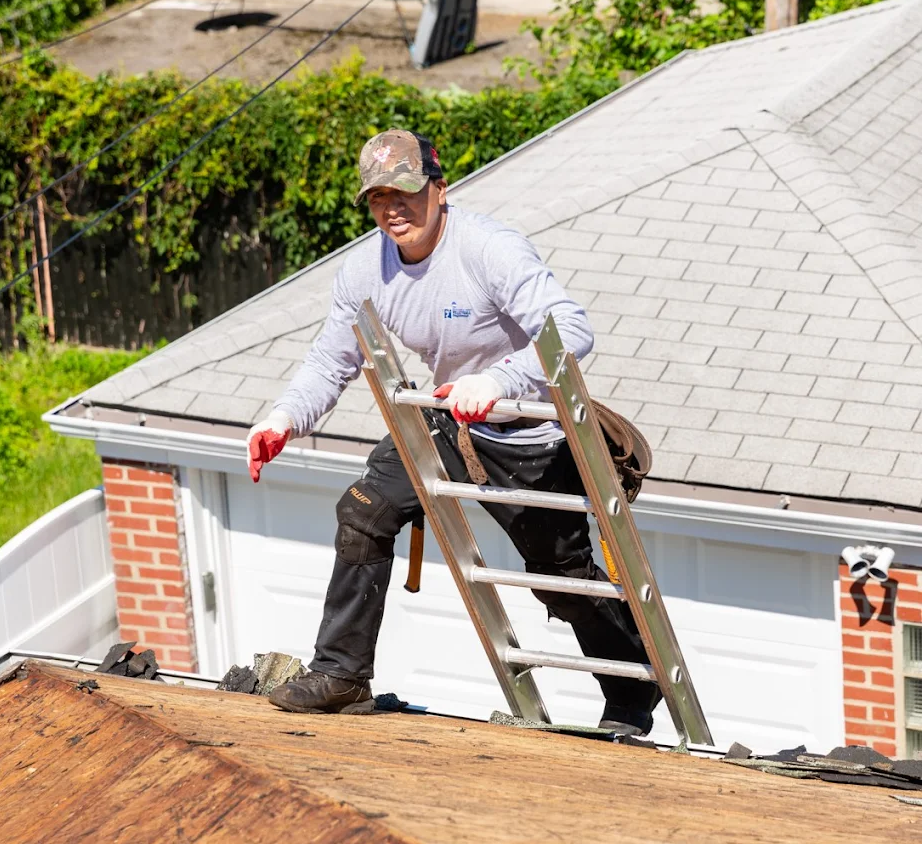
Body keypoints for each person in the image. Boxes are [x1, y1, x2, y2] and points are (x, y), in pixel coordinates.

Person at [245, 129, 661, 735]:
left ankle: (633, 690)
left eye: (407, 192)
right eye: (379, 197)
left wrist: (498, 380)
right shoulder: (365, 270)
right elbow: (331, 360)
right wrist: (284, 418)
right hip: (449, 423)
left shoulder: (489, 250)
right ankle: (342, 672)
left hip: (528, 438)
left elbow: (572, 330)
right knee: (363, 512)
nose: (393, 209)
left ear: (440, 189)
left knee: (564, 586)